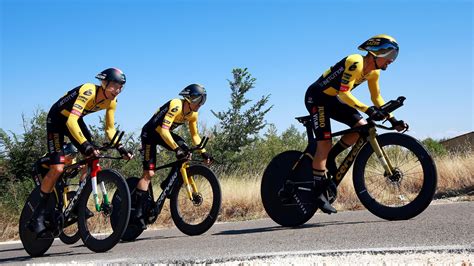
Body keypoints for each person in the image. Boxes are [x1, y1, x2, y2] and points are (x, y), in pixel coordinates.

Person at [304, 34, 408, 214]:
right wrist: (368, 110)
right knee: (324, 144)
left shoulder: (373, 72)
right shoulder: (355, 62)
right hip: (317, 98)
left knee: (361, 126)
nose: (391, 61)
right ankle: (319, 193)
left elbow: (376, 98)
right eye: (391, 56)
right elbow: (344, 94)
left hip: (333, 99)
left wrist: (393, 119)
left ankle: (331, 156)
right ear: (378, 52)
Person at [28, 68, 133, 236]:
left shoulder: (111, 102)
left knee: (93, 155)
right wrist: (85, 145)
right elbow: (70, 121)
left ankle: (78, 202)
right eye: (114, 86)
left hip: (75, 120)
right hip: (57, 120)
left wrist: (121, 147)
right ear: (104, 83)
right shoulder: (88, 90)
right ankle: (38, 216)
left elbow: (110, 129)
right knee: (57, 168)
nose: (117, 91)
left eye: (121, 87)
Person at [133, 84, 212, 229]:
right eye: (198, 100)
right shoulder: (176, 105)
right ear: (189, 98)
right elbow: (163, 130)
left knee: (186, 152)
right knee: (149, 173)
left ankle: (168, 183)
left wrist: (204, 152)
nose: (200, 104)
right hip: (151, 134)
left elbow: (195, 135)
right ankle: (137, 212)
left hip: (164, 134)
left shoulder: (193, 114)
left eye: (203, 101)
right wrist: (176, 149)